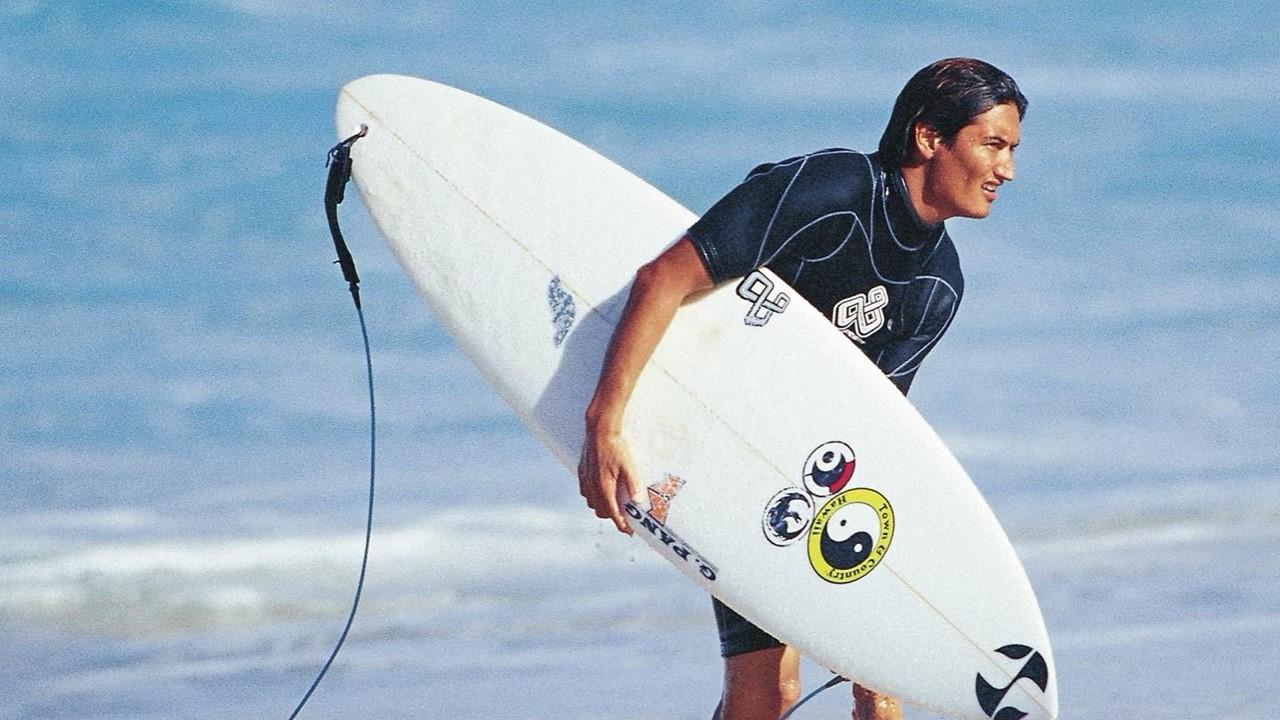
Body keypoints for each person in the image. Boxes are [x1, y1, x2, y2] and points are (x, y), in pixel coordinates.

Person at [577, 58, 1027, 720]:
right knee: (767, 692)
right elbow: (663, 279)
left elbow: (870, 430)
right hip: (714, 443)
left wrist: (862, 624)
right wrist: (605, 425)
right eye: (993, 144)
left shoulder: (939, 285)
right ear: (931, 137)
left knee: (881, 701)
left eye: (1012, 150)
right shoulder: (828, 191)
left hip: (794, 478)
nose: (1007, 170)